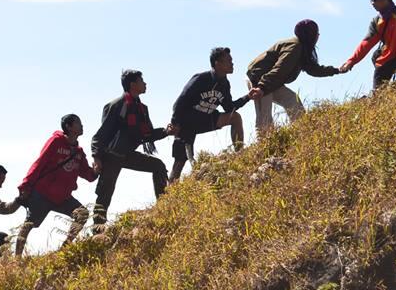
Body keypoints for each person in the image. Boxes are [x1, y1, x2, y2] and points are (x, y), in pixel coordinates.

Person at [90, 70, 176, 228]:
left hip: (128, 155)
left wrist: (166, 132)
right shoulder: (117, 105)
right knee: (105, 195)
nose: (145, 83)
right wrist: (96, 157)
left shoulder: (142, 108)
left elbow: (147, 135)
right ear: (133, 85)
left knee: (158, 166)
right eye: (141, 80)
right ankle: (97, 231)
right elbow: (101, 135)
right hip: (111, 156)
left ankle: (164, 208)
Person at [169, 48, 262, 182]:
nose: (232, 63)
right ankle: (168, 195)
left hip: (207, 119)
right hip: (187, 123)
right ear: (217, 64)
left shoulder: (224, 83)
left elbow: (229, 107)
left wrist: (247, 97)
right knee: (180, 161)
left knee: (235, 117)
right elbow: (179, 103)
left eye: (232, 61)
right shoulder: (200, 79)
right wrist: (175, 124)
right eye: (228, 61)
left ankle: (240, 154)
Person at [15, 114, 98, 256]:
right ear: (69, 127)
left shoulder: (78, 152)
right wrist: (25, 186)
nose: (82, 125)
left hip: (63, 197)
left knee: (82, 214)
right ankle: (16, 258)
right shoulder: (55, 142)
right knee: (29, 224)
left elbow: (87, 175)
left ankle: (64, 249)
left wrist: (96, 171)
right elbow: (39, 163)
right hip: (43, 194)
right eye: (78, 123)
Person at [246, 19, 340, 135]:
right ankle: (264, 149)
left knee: (293, 102)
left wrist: (336, 70)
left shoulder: (302, 47)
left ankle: (303, 135)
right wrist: (261, 88)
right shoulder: (294, 47)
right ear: (310, 35)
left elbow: (313, 69)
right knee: (264, 119)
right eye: (316, 33)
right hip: (260, 79)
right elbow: (279, 70)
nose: (318, 36)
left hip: (271, 81)